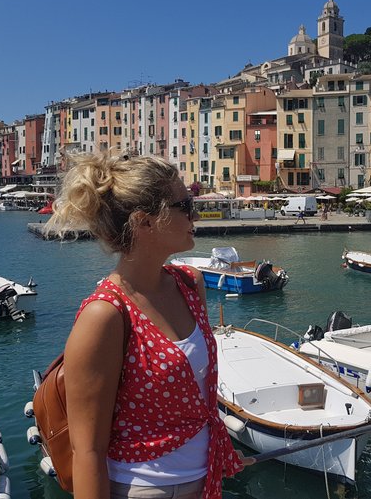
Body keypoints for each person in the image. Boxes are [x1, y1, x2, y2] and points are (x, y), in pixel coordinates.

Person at [44, 152, 249, 499]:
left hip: (206, 476)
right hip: (143, 488)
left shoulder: (189, 283)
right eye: (184, 204)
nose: (194, 214)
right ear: (145, 222)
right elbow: (88, 452)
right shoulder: (105, 315)